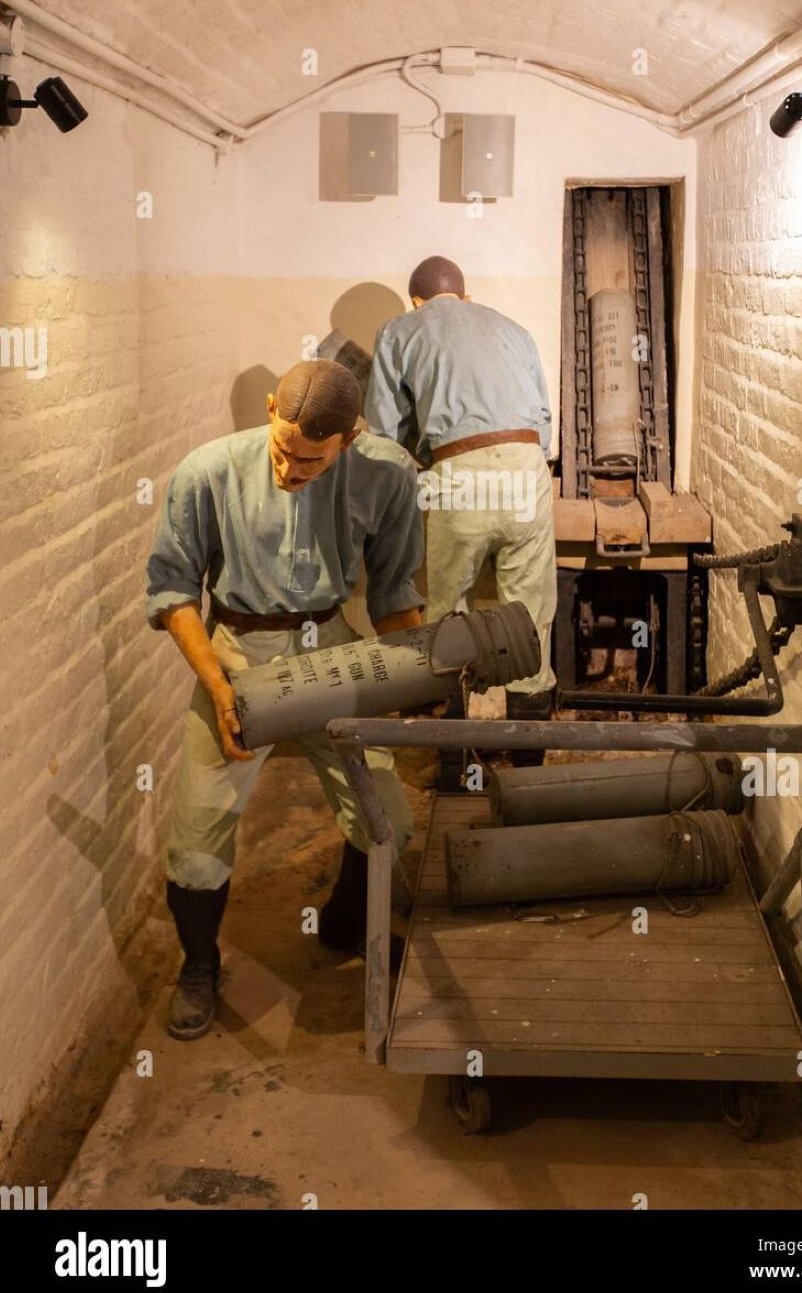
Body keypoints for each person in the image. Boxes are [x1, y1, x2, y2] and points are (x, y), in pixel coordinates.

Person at [145, 359, 423, 1040]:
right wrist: (217, 685)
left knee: (385, 815)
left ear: (348, 441)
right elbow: (174, 591)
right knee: (197, 830)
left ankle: (348, 920)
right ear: (271, 408)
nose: (290, 474)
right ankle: (200, 965)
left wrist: (420, 676)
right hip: (237, 651)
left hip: (332, 648)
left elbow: (393, 594)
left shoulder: (388, 475)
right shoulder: (207, 471)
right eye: (283, 451)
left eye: (311, 464)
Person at [364, 256, 556, 757]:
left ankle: (455, 761)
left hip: (458, 471)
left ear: (417, 301)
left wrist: (418, 474)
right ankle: (530, 762)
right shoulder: (514, 329)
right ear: (466, 296)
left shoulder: (398, 331)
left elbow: (384, 434)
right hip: (527, 464)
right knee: (530, 615)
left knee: (447, 613)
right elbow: (544, 421)